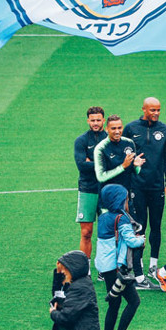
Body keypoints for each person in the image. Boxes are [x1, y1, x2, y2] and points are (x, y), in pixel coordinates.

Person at [123, 98, 166, 286]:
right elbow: (125, 156)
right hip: (137, 186)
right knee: (140, 227)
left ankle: (154, 265)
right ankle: (139, 266)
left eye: (158, 110)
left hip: (156, 186)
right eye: (152, 109)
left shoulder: (165, 130)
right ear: (143, 109)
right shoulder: (131, 128)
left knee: (156, 226)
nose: (156, 113)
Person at [94, 185, 144, 330]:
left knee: (114, 304)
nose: (127, 202)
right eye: (125, 199)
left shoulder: (103, 217)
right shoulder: (121, 218)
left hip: (106, 268)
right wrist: (141, 240)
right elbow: (131, 241)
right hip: (117, 269)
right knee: (134, 301)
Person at [50, 250, 100, 330]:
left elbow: (65, 318)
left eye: (65, 269)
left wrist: (53, 313)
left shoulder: (79, 288)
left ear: (73, 269)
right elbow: (58, 296)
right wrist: (58, 275)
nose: (63, 272)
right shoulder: (79, 284)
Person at [73, 106, 106, 260]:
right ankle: (85, 269)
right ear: (87, 121)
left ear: (103, 120)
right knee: (86, 232)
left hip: (107, 189)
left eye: (98, 120)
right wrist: (104, 163)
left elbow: (116, 163)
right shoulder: (81, 140)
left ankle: (105, 268)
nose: (95, 123)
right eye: (92, 120)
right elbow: (81, 166)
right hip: (88, 189)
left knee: (108, 232)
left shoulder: (109, 138)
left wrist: (91, 162)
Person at [95, 115, 145, 194]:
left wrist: (136, 166)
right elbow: (101, 177)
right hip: (109, 195)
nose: (117, 131)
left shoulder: (129, 143)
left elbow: (136, 172)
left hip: (127, 193)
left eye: (119, 128)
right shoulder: (101, 148)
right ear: (107, 129)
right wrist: (123, 166)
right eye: (113, 128)